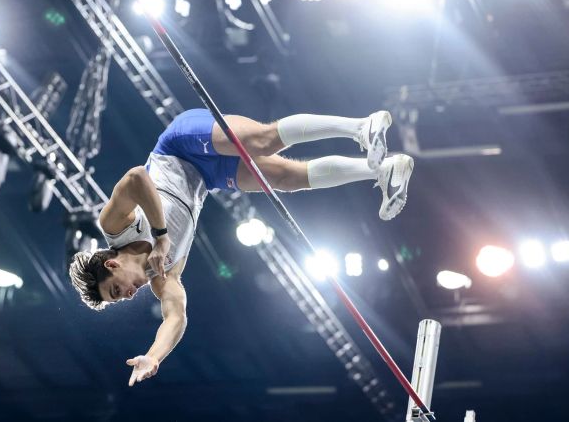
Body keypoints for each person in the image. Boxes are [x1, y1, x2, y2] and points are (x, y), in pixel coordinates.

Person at [68, 108, 414, 386]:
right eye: (120, 298)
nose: (128, 295)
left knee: (261, 140)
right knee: (285, 178)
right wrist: (154, 356)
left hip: (180, 144)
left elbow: (135, 178)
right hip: (207, 178)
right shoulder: (163, 276)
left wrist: (160, 235)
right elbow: (176, 316)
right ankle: (382, 172)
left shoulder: (114, 226)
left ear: (112, 264)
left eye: (116, 290)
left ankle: (360, 127)